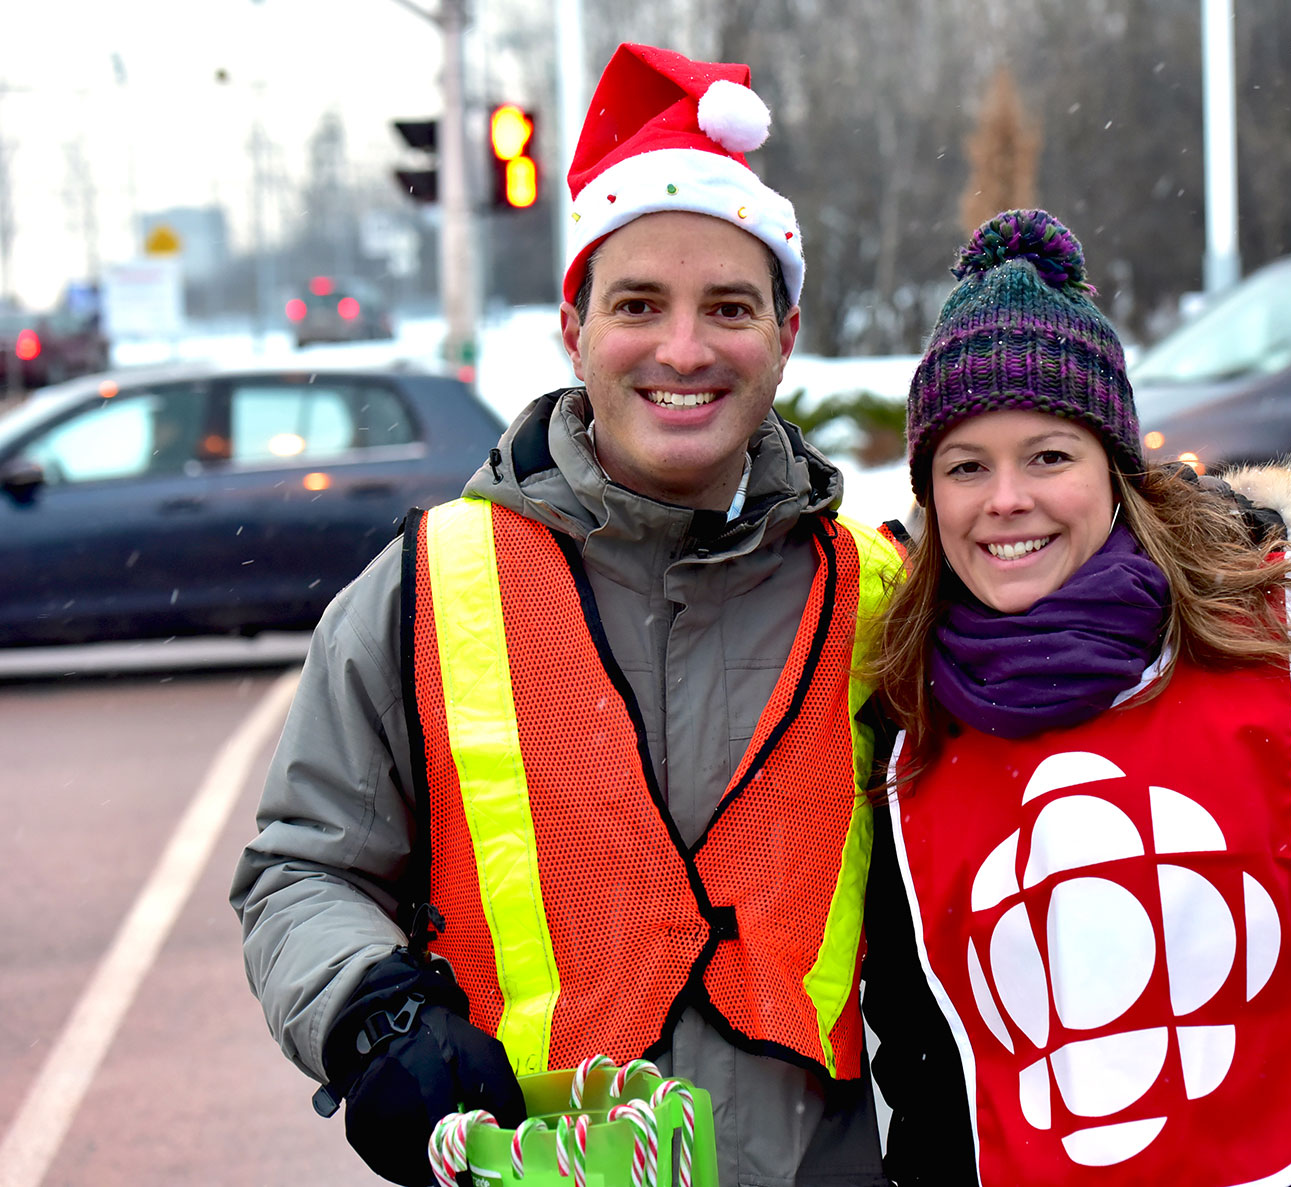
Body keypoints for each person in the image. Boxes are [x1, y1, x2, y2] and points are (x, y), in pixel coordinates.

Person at [230, 44, 899, 1187]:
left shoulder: (883, 596)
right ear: (573, 327)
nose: (683, 350)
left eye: (729, 307)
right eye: (638, 303)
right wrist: (371, 1012)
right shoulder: (424, 586)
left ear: (785, 338)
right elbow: (303, 867)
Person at [860, 210, 1291, 1186]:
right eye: (965, 465)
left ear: (1116, 474)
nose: (1005, 499)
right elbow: (929, 1063)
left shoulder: (1288, 640)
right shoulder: (905, 725)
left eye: (1048, 455)